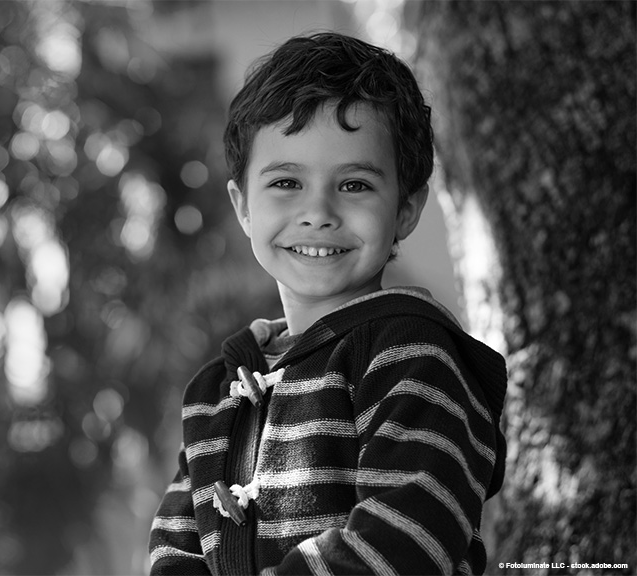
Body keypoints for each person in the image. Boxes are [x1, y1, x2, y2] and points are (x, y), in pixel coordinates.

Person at [149, 32, 507, 575]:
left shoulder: (413, 357)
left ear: (406, 209)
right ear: (243, 206)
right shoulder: (213, 396)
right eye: (287, 181)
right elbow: (174, 547)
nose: (318, 212)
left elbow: (403, 541)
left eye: (355, 185)